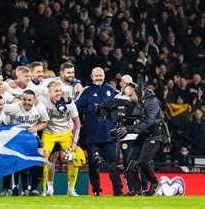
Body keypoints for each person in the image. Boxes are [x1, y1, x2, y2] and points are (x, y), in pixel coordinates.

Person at [75, 67, 123, 196]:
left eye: (100, 76)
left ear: (104, 76)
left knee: (114, 165)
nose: (98, 78)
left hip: (109, 136)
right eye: (96, 76)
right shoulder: (86, 92)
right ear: (91, 76)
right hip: (92, 137)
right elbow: (76, 108)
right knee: (93, 165)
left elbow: (121, 108)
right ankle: (96, 190)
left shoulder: (111, 91)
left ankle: (118, 190)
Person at [38, 81, 85, 197]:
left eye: (60, 90)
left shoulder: (69, 103)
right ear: (49, 92)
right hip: (48, 133)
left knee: (75, 158)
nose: (59, 93)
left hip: (65, 133)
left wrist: (74, 142)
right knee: (42, 160)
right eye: (56, 91)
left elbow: (77, 124)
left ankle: (71, 189)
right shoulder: (42, 100)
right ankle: (43, 190)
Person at [116, 84, 165, 196]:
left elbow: (147, 122)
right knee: (130, 164)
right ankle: (137, 190)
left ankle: (155, 183)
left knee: (143, 161)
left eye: (131, 95)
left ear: (139, 92)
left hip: (154, 136)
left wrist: (128, 129)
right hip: (143, 136)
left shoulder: (152, 102)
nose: (131, 98)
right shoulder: (140, 102)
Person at [3, 90, 49, 196]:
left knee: (41, 160)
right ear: (21, 99)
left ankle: (32, 189)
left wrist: (35, 128)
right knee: (16, 161)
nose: (26, 102)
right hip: (16, 138)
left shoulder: (40, 107)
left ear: (34, 100)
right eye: (24, 99)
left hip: (31, 137)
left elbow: (44, 122)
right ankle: (13, 188)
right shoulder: (13, 107)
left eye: (29, 100)